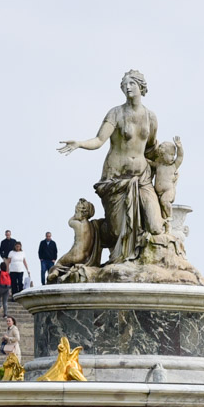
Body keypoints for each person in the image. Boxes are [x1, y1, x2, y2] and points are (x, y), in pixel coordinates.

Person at [58, 69, 165, 264]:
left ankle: (143, 260)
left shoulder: (151, 117)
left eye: (131, 83)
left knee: (156, 225)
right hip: (115, 178)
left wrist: (169, 167)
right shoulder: (115, 113)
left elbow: (151, 148)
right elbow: (99, 140)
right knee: (116, 231)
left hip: (142, 178)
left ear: (141, 86)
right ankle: (95, 232)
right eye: (124, 84)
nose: (127, 87)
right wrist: (80, 143)